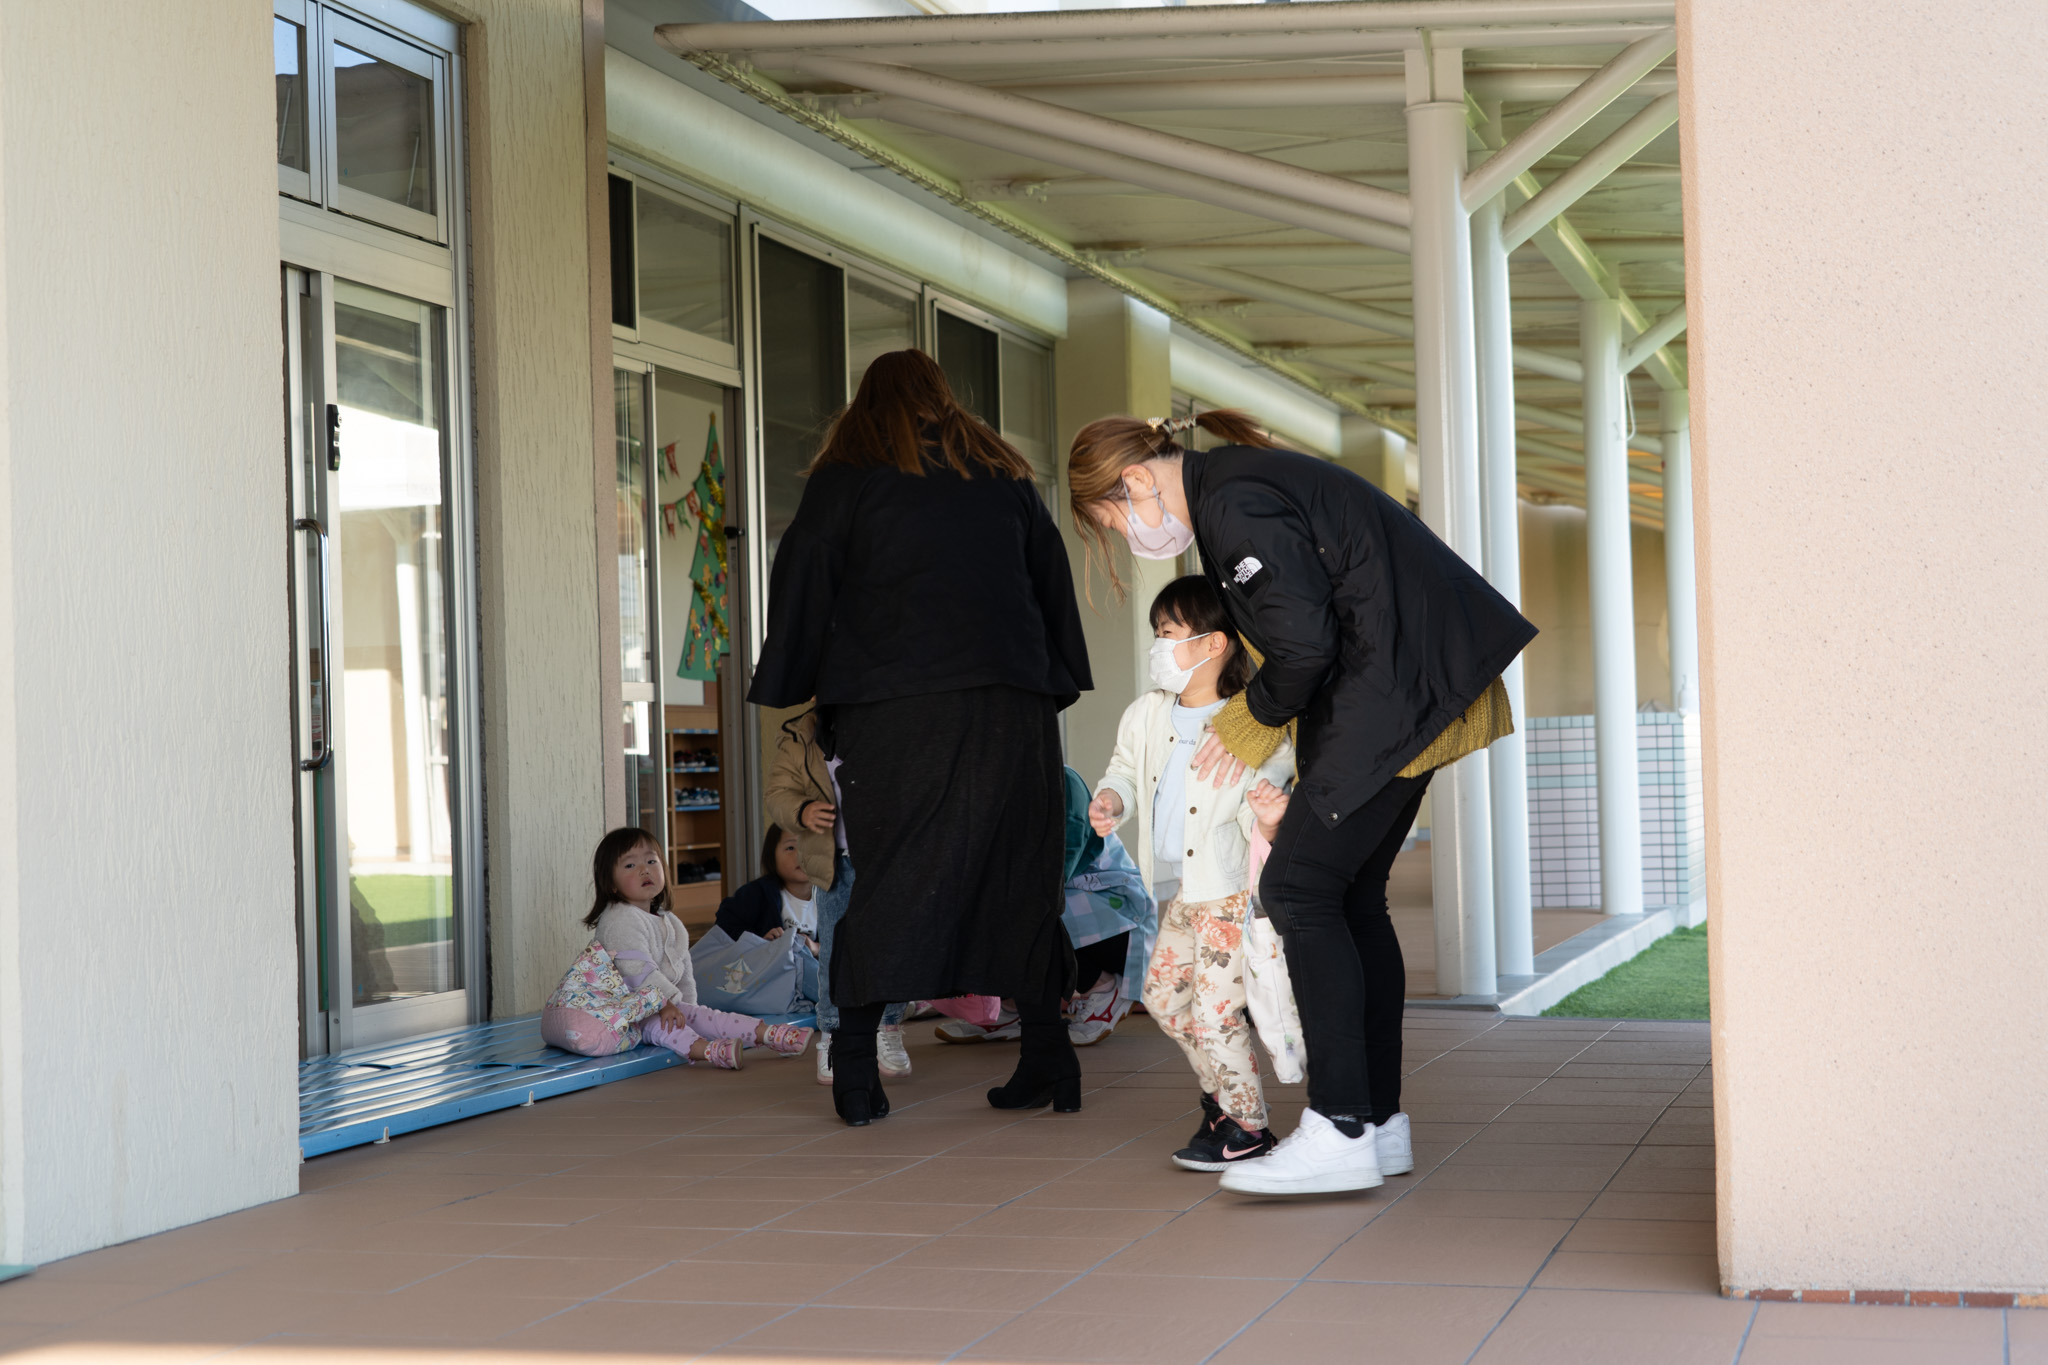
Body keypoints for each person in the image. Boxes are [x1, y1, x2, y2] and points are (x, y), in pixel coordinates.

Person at [1068, 410, 1536, 1195]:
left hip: (1397, 691)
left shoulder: (1233, 503)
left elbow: (1305, 644)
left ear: (1138, 480)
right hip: (1410, 682)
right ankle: (1376, 1123)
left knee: (1297, 887)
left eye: (1113, 516)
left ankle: (1341, 1124)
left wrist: (1247, 721)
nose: (1126, 534)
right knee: (1348, 896)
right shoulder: (1233, 491)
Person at [749, 349, 1092, 1127]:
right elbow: (1049, 583)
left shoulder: (851, 474)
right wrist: (1052, 678)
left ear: (865, 403)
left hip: (896, 708)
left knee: (896, 876)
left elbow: (804, 571)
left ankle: (858, 1070)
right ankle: (1048, 1055)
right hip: (1012, 704)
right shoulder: (1002, 473)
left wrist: (795, 676)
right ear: (945, 396)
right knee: (1018, 874)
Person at [1090, 575, 1295, 1172]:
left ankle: (1250, 1125)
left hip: (1230, 893)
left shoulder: (1252, 721)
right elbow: (1124, 769)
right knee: (1161, 998)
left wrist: (1270, 818)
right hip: (1184, 892)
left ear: (1214, 644)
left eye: (1168, 633)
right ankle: (1220, 1100)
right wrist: (1111, 800)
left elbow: (1276, 798)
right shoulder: (1147, 713)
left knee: (1215, 1014)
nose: (1158, 646)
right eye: (1157, 633)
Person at [580, 826, 813, 1068]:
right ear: (611, 884)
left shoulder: (669, 921)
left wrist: (687, 1007)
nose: (644, 870)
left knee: (710, 1017)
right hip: (626, 1013)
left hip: (661, 1004)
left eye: (651, 861)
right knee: (667, 1027)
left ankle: (769, 1034)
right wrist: (667, 1005)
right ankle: (708, 1050)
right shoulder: (618, 918)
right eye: (630, 865)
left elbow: (684, 972)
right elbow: (636, 971)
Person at [764, 709, 912, 1086]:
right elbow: (778, 794)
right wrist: (802, 810)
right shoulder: (802, 736)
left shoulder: (890, 721)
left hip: (889, 859)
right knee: (834, 950)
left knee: (894, 947)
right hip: (834, 862)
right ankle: (831, 1035)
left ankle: (888, 1026)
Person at [713, 825, 824, 1007]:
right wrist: (759, 943)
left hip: (813, 975)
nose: (802, 854)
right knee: (802, 964)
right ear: (771, 855)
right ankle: (838, 1006)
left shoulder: (831, 898)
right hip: (769, 979)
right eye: (791, 848)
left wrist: (817, 948)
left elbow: (847, 944)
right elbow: (724, 929)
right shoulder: (756, 894)